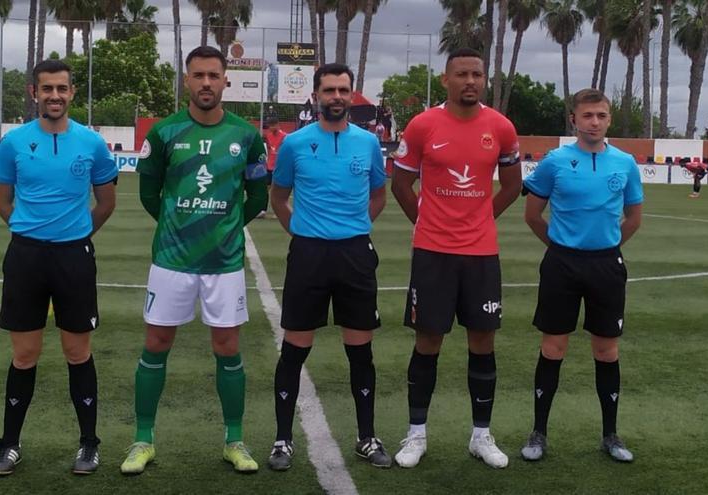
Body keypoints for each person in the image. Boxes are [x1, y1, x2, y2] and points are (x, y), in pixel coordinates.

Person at [119, 46, 268, 475]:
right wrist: (178, 225)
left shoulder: (246, 136)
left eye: (213, 75)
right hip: (171, 260)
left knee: (228, 348)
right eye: (198, 75)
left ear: (226, 81)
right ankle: (142, 440)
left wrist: (226, 226)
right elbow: (149, 194)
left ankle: (234, 440)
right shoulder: (164, 133)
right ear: (187, 80)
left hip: (223, 264)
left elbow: (257, 193)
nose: (206, 83)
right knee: (156, 345)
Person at [390, 47, 522, 470]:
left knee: (482, 341)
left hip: (481, 255)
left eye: (477, 74)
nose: (470, 80)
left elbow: (512, 185)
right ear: (445, 79)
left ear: (485, 80)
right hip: (433, 253)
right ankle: (416, 434)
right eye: (462, 74)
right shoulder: (423, 124)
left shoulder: (500, 127)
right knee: (428, 340)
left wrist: (480, 217)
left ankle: (481, 435)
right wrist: (428, 224)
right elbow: (401, 186)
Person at [0, 59, 118, 476]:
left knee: (77, 352)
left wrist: (75, 234)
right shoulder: (14, 142)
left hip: (73, 257)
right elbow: (2, 202)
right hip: (26, 256)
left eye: (62, 88)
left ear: (72, 93)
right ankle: (9, 445)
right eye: (47, 89)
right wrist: (33, 234)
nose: (55, 96)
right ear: (34, 93)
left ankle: (89, 444)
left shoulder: (92, 143)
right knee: (24, 355)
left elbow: (107, 203)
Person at [268, 63, 389, 471]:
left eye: (343, 89)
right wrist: (302, 233)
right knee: (294, 350)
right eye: (329, 90)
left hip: (355, 255)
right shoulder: (295, 144)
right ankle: (283, 440)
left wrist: (355, 228)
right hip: (309, 256)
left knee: (361, 351)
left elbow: (378, 195)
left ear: (352, 95)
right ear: (316, 95)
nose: (336, 96)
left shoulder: (368, 144)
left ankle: (367, 438)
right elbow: (279, 196)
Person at [519, 88, 643, 463]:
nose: (594, 122)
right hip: (561, 265)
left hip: (606, 265)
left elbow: (634, 217)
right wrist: (561, 246)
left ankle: (611, 435)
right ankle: (539, 433)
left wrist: (605, 247)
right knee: (553, 347)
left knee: (606, 350)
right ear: (574, 119)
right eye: (587, 115)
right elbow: (532, 215)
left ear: (609, 119)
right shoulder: (555, 162)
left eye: (601, 115)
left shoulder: (625, 163)